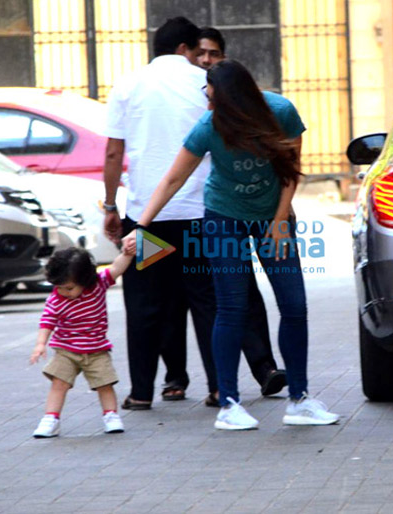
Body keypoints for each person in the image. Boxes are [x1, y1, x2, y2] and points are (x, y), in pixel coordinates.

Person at [122, 59, 340, 430]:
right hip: (225, 219)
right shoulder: (208, 126)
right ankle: (229, 404)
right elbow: (173, 179)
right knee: (231, 307)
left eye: (209, 88)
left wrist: (279, 222)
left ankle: (300, 400)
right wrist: (140, 226)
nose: (204, 94)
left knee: (294, 304)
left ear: (228, 95)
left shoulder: (281, 112)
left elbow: (291, 168)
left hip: (273, 216)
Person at [103, 17, 285, 411]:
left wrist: (110, 206)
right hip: (204, 215)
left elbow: (114, 153)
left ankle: (140, 392)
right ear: (186, 48)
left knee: (146, 304)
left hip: (147, 217)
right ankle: (220, 387)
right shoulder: (203, 83)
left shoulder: (127, 85)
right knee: (211, 301)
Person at [196, 25, 288, 403]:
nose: (206, 60)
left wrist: (281, 216)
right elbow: (173, 171)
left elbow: (287, 166)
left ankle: (263, 370)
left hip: (241, 210)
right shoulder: (201, 99)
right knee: (212, 300)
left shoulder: (243, 98)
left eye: (214, 53)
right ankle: (212, 385)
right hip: (206, 210)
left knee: (239, 296)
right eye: (201, 53)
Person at [30, 247, 133, 438]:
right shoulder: (55, 299)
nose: (63, 292)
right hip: (66, 350)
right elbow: (47, 322)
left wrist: (127, 254)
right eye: (59, 286)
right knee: (58, 384)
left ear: (85, 280)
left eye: (69, 288)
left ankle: (111, 415)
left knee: (105, 384)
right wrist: (40, 344)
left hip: (97, 351)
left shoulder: (99, 285)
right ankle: (50, 419)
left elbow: (116, 268)